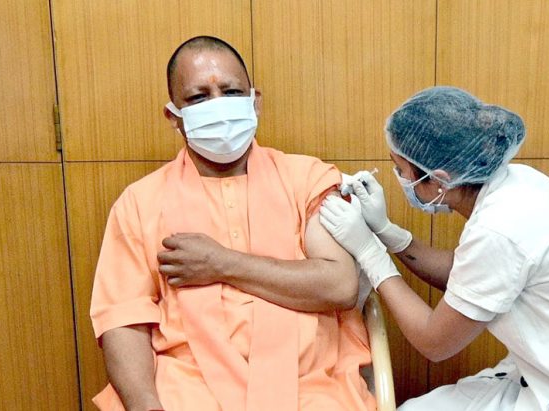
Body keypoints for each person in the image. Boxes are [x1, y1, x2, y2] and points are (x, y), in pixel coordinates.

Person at [320, 86, 549, 410]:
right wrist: (388, 233)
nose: (399, 179)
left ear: (439, 181)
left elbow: (434, 342)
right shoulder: (518, 184)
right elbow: (466, 274)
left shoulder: (500, 230)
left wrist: (371, 256)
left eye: (400, 169)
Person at [89, 36, 376, 411]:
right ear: (174, 116)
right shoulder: (139, 203)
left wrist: (222, 263)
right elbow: (123, 320)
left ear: (255, 102)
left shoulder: (307, 178)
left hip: (309, 385)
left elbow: (339, 284)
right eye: (199, 97)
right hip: (188, 388)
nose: (218, 106)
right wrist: (146, 405)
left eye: (231, 92)